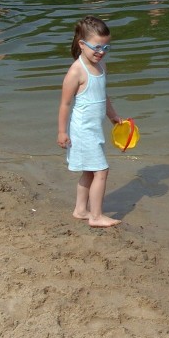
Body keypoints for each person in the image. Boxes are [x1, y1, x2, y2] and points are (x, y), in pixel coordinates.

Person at [57, 16, 124, 228]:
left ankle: (80, 209)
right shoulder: (76, 71)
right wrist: (61, 132)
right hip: (82, 130)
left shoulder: (101, 66)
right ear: (82, 44)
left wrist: (112, 115)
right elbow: (65, 104)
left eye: (106, 47)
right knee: (101, 171)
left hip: (95, 129)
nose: (101, 52)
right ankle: (96, 216)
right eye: (96, 47)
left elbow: (103, 95)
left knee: (89, 171)